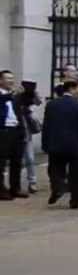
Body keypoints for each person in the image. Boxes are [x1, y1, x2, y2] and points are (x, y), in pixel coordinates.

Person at [42, 81, 78, 209]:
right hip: (75, 145)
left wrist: (45, 144)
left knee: (54, 170)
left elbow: (46, 126)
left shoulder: (51, 104)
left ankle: (58, 187)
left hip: (55, 143)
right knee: (76, 174)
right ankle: (75, 200)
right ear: (71, 89)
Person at [0, 70, 27, 200]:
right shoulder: (6, 95)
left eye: (12, 78)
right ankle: (1, 189)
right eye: (8, 78)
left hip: (16, 130)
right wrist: (13, 94)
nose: (11, 81)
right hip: (3, 131)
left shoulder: (15, 96)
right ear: (1, 81)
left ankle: (15, 188)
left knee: (17, 161)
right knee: (1, 162)